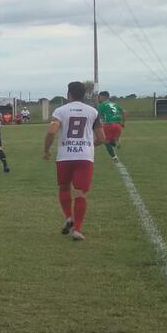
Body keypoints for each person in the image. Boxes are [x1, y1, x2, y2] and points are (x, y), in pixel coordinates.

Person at [43, 81, 106, 241]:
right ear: (84, 95)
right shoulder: (92, 111)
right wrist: (88, 145)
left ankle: (68, 217)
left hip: (65, 156)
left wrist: (46, 150)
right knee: (80, 193)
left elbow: (51, 131)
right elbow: (102, 138)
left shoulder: (60, 110)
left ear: (68, 94)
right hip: (84, 157)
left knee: (64, 188)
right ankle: (77, 229)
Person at [96, 91, 126, 162]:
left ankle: (114, 157)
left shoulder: (102, 105)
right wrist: (123, 122)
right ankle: (115, 142)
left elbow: (97, 116)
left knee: (105, 141)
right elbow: (124, 111)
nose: (98, 99)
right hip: (118, 125)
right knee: (111, 140)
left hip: (109, 125)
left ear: (103, 97)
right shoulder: (115, 104)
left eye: (99, 97)